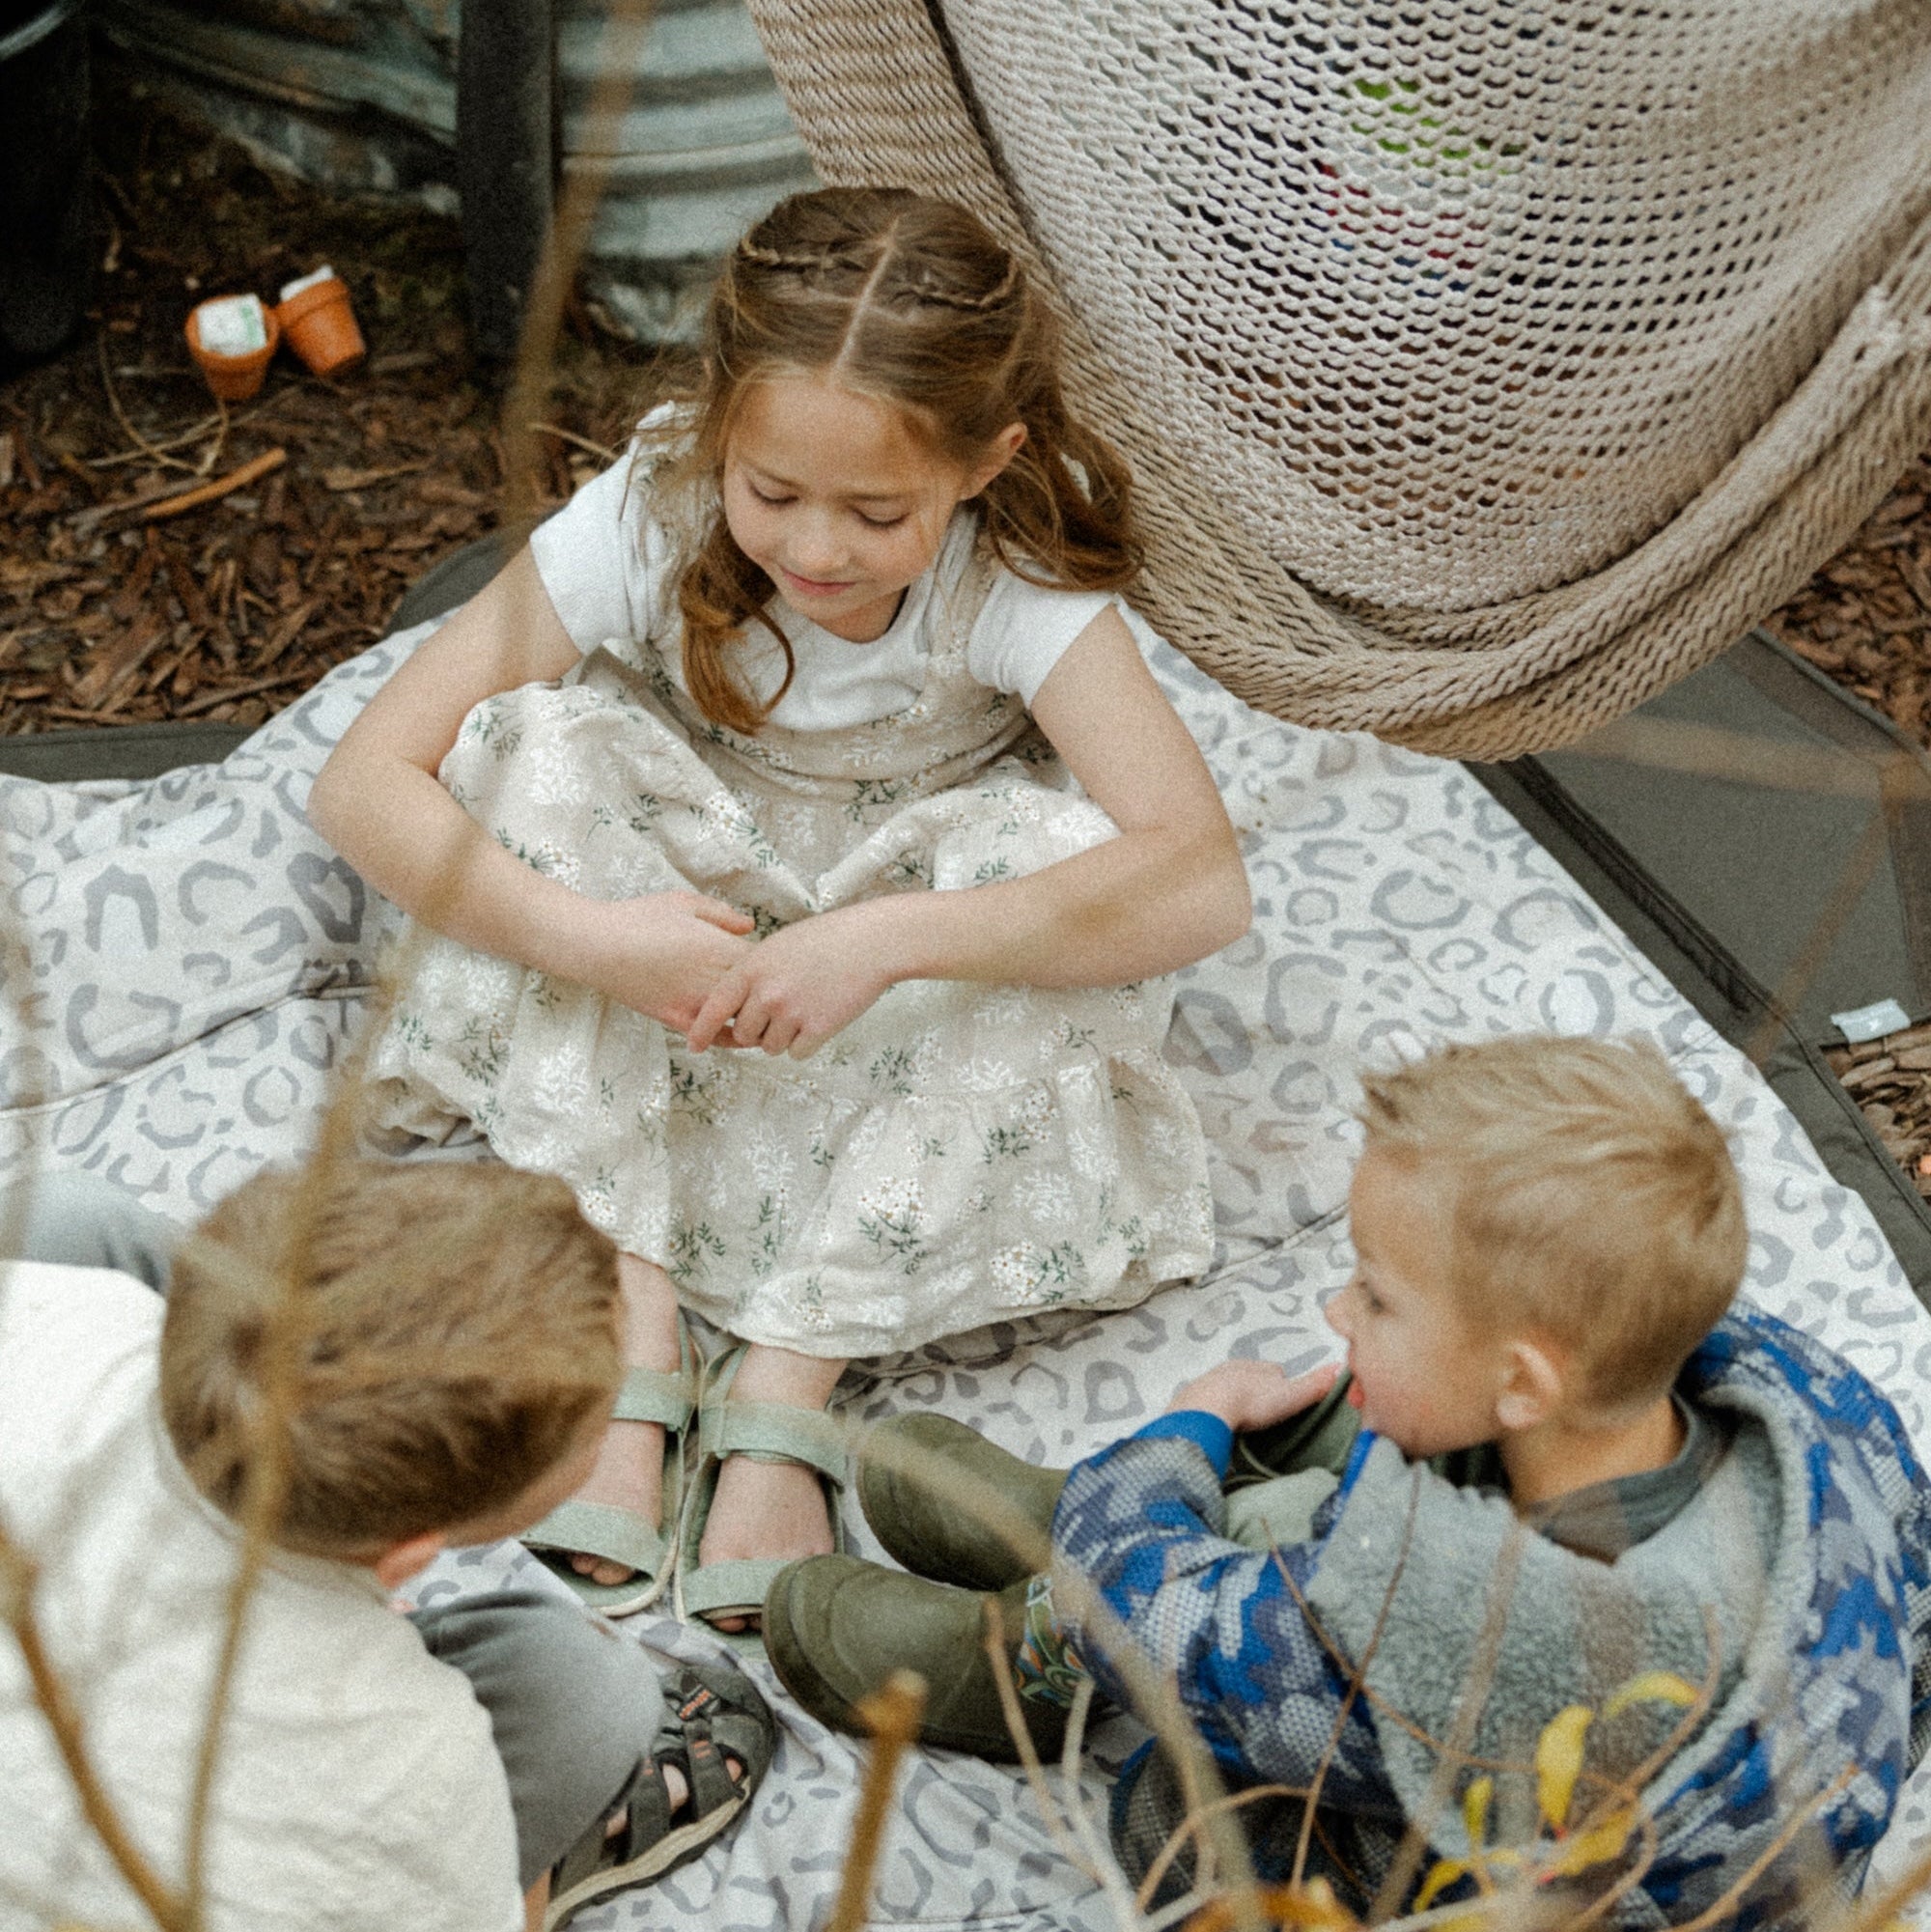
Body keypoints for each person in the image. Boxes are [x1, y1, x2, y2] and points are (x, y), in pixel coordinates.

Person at [307, 185, 1250, 1629]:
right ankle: (634, 1326)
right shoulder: (655, 509)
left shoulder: (1013, 575)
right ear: (720, 431)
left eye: (879, 512)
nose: (815, 550)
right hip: (673, 925)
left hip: (886, 957)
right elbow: (367, 777)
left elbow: (1198, 876)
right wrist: (593, 942)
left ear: (986, 462)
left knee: (1047, 850)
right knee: (534, 750)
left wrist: (883, 937)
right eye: (774, 494)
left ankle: (788, 1369)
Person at [763, 1034, 1931, 1924]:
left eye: (1372, 1292)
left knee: (1176, 1812)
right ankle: (1104, 1523)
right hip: (1737, 1783)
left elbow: (1156, 1614)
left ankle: (1044, 1642)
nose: (1336, 1308)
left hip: (1564, 1876)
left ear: (1524, 1380)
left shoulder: (1472, 1631)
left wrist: (1183, 1428)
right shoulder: (1785, 1389)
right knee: (1356, 1427)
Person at [0, 1162, 773, 1932]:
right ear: (410, 1555)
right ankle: (550, 1857)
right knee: (589, 1697)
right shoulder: (416, 1769)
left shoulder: (49, 1301)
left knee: (69, 1215)